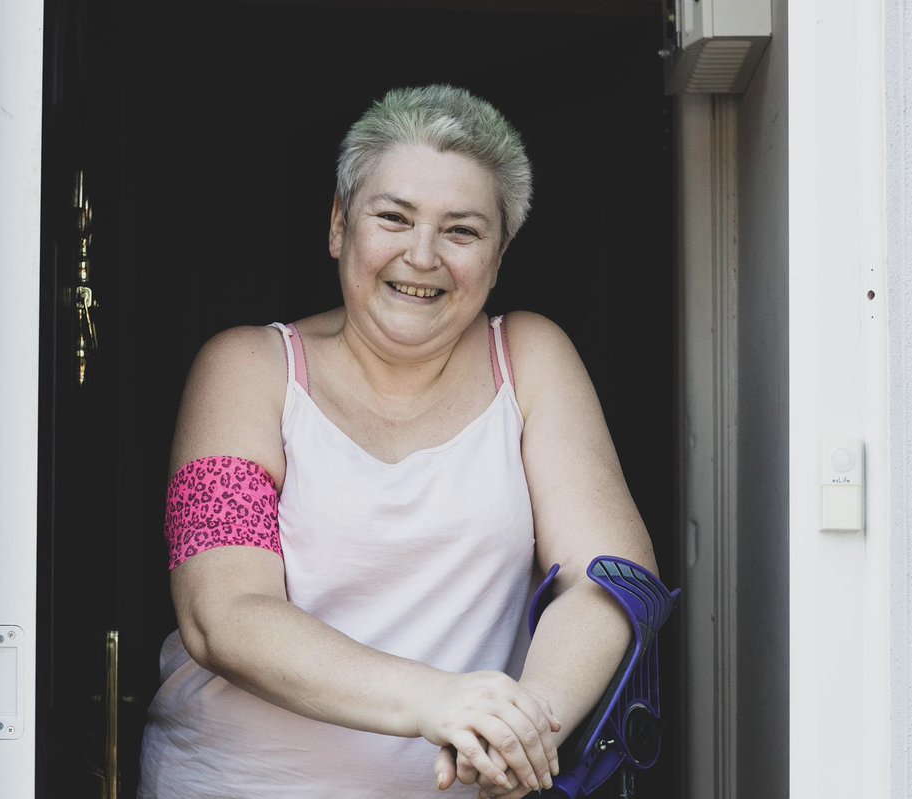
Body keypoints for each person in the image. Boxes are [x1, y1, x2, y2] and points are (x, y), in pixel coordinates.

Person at [137, 83, 658, 799]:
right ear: (338, 226)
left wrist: (526, 724)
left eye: (462, 230)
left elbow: (608, 577)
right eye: (394, 217)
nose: (422, 255)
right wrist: (436, 701)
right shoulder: (246, 368)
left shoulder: (531, 358)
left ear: (499, 255)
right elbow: (222, 612)